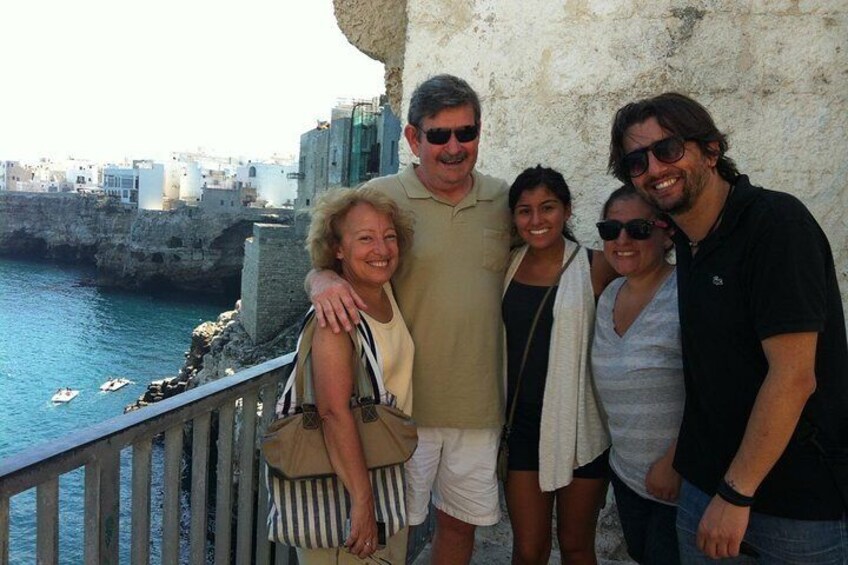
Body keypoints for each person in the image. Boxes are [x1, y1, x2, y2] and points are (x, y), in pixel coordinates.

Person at [608, 92, 848, 562]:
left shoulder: (775, 225)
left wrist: (736, 495)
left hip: (791, 505)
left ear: (711, 150)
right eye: (637, 162)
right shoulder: (689, 242)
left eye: (668, 149)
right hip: (703, 490)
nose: (654, 168)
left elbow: (794, 377)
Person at [307, 74, 511, 564]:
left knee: (459, 531)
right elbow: (327, 254)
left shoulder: (504, 201)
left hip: (479, 409)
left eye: (467, 132)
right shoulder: (381, 197)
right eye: (439, 135)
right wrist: (321, 282)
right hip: (397, 411)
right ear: (414, 138)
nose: (454, 146)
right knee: (383, 536)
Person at [273, 187, 415, 564]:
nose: (381, 250)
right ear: (338, 248)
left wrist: (319, 278)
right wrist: (363, 504)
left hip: (383, 478)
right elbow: (333, 413)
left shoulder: (382, 290)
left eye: (388, 237)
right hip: (345, 498)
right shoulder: (337, 320)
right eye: (365, 238)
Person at [502, 165, 611, 564]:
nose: (536, 220)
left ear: (567, 210)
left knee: (577, 545)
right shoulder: (507, 266)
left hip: (581, 426)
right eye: (524, 210)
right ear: (513, 217)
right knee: (528, 549)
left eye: (547, 207)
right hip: (523, 427)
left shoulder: (598, 266)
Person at [591, 184, 683, 564]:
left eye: (639, 229)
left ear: (667, 232)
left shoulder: (687, 293)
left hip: (679, 482)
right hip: (626, 477)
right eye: (611, 230)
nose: (622, 239)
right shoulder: (609, 296)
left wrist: (676, 462)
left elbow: (716, 389)